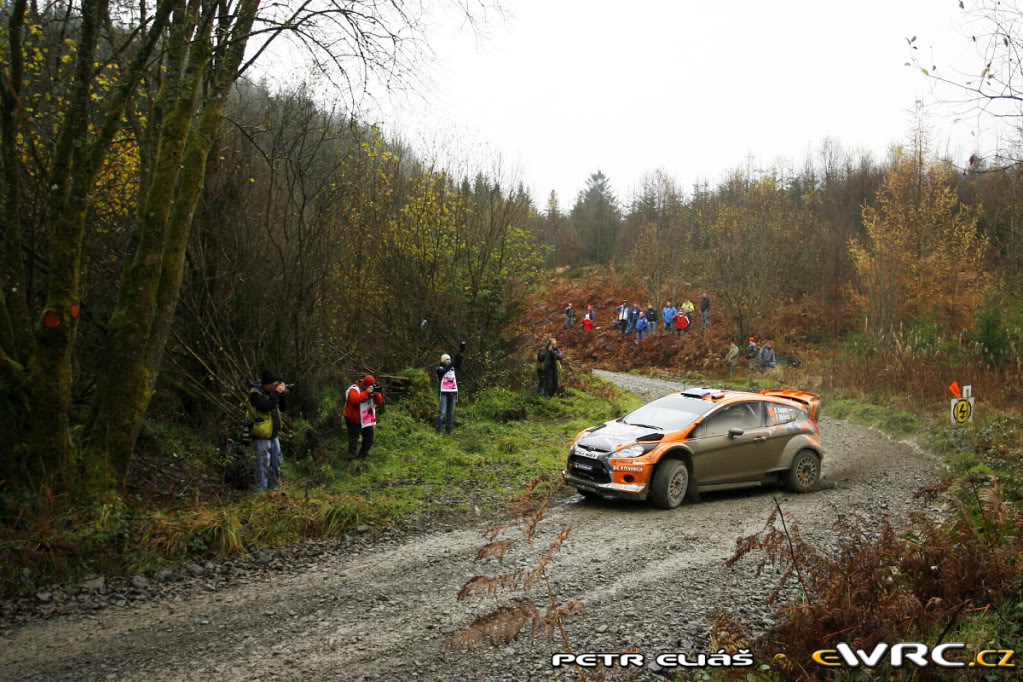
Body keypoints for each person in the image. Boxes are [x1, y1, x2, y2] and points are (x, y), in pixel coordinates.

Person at [248, 369, 288, 490]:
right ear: (267, 384)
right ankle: (261, 491)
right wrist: (276, 393)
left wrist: (284, 395)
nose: (276, 387)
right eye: (275, 385)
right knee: (262, 464)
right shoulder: (255, 393)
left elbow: (283, 408)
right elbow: (266, 407)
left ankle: (274, 489)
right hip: (262, 434)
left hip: (274, 434)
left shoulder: (272, 393)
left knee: (276, 463)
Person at [344, 375, 384, 459]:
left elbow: (379, 402)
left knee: (369, 438)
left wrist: (376, 394)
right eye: (369, 386)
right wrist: (367, 392)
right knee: (354, 438)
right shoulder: (354, 389)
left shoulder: (372, 388)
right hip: (353, 418)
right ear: (365, 385)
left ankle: (362, 456)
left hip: (367, 418)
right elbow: (355, 400)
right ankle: (351, 457)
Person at [435, 342, 466, 434]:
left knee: (450, 414)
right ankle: (438, 430)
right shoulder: (439, 369)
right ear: (443, 361)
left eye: (449, 359)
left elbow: (458, 362)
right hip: (443, 393)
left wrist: (461, 352)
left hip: (452, 393)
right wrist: (452, 362)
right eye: (447, 359)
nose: (449, 360)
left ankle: (448, 431)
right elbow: (445, 370)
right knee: (442, 413)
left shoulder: (452, 368)